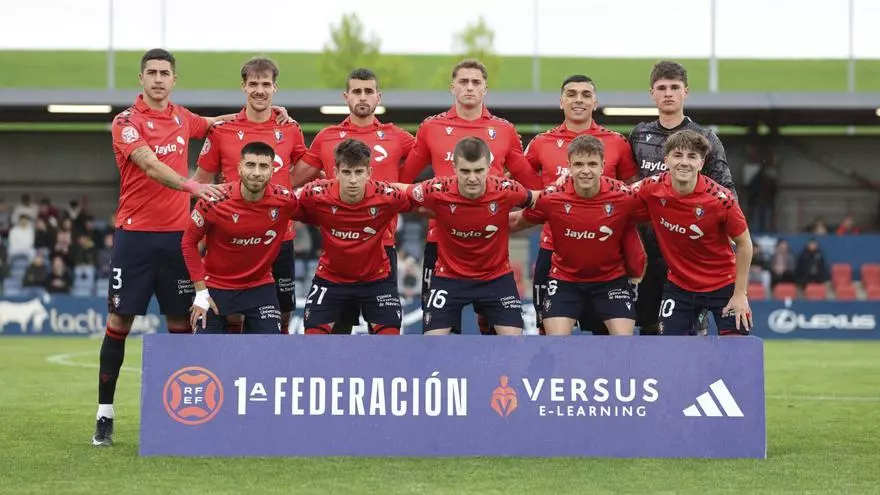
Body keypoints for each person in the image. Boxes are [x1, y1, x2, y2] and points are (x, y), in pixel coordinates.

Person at [93, 48, 235, 447]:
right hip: (134, 238)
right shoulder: (126, 122)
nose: (158, 78)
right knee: (119, 322)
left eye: (165, 73)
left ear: (174, 79)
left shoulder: (183, 117)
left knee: (180, 325)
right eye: (152, 72)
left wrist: (267, 114)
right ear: (141, 78)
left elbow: (219, 124)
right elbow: (149, 163)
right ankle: (104, 415)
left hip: (177, 240)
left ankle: (179, 419)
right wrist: (192, 185)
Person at [398, 59, 541, 334]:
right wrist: (429, 209)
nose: (469, 87)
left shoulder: (504, 130)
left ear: (485, 88)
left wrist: (513, 217)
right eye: (463, 82)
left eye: (476, 82)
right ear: (452, 87)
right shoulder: (431, 127)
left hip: (490, 244)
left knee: (494, 331)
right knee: (440, 331)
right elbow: (404, 181)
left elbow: (531, 185)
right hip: (441, 243)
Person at [290, 68, 415, 334]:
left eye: (369, 91)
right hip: (338, 248)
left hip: (382, 248)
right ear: (346, 97)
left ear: (378, 97)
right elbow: (290, 181)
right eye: (356, 91)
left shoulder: (397, 136)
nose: (363, 97)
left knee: (384, 335)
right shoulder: (327, 137)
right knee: (338, 335)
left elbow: (438, 161)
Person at [193, 56, 307, 335]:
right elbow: (200, 183)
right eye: (253, 84)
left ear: (275, 88)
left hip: (278, 237)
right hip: (230, 237)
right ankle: (234, 362)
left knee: (282, 311)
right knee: (230, 311)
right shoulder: (222, 130)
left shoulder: (290, 128)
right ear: (243, 86)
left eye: (266, 84)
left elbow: (308, 169)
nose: (260, 90)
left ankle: (274, 360)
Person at [524, 74, 640, 335]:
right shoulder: (541, 143)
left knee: (607, 338)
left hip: (606, 257)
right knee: (549, 336)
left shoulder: (617, 142)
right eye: (572, 94)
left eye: (586, 95)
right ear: (561, 101)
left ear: (595, 102)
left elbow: (634, 195)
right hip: (553, 253)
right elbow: (518, 188)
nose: (579, 100)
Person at [628, 61, 737, 336]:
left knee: (693, 331)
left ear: (685, 92)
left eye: (675, 87)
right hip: (648, 248)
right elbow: (627, 188)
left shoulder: (705, 137)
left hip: (691, 251)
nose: (668, 93)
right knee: (651, 326)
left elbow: (726, 191)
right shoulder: (639, 135)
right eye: (662, 87)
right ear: (652, 93)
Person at [510, 135, 646, 336]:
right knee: (555, 344)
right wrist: (472, 226)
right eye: (579, 164)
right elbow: (516, 221)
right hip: (565, 281)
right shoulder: (552, 197)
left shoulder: (623, 196)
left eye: (592, 164)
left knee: (623, 343)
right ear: (569, 166)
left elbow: (655, 215)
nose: (585, 171)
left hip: (611, 281)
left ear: (602, 166)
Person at [405, 137, 535, 336]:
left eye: (478, 170)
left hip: (496, 277)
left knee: (513, 343)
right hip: (449, 278)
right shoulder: (437, 189)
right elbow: (399, 193)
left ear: (489, 167)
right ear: (454, 168)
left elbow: (540, 201)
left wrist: (566, 188)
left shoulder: (507, 189)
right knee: (432, 343)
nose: (472, 178)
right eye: (465, 171)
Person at [631, 130, 752, 336]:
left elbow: (745, 244)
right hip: (679, 285)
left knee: (736, 349)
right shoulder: (651, 187)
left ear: (701, 163)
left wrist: (740, 294)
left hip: (723, 283)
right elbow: (617, 195)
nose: (684, 162)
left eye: (692, 156)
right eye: (677, 155)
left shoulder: (722, 200)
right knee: (671, 349)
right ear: (666, 160)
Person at [295, 139, 412, 335]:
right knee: (313, 341)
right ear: (336, 172)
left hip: (376, 279)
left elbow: (423, 202)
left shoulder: (388, 196)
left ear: (369, 172)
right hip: (331, 279)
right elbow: (284, 204)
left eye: (358, 172)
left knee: (390, 342)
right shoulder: (314, 193)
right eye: (347, 172)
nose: (352, 180)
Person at [183, 141, 299, 333]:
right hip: (215, 286)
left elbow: (318, 214)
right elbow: (188, 242)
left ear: (272, 170)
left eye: (263, 166)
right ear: (239, 168)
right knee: (205, 349)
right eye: (250, 165)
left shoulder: (286, 201)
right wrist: (201, 292)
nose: (256, 172)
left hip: (260, 287)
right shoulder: (213, 200)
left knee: (270, 347)